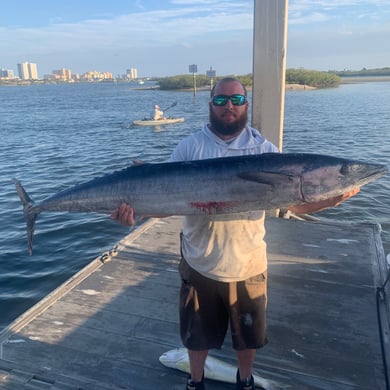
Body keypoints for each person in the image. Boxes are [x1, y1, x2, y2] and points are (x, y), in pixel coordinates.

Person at [111, 77, 359, 390]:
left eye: (237, 100)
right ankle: (195, 381)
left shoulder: (265, 151)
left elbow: (293, 207)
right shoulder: (190, 147)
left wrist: (331, 200)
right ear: (210, 104)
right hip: (200, 260)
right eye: (221, 100)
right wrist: (134, 213)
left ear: (246, 104)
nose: (229, 106)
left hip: (248, 262)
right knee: (196, 334)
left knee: (248, 336)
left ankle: (245, 381)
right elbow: (167, 204)